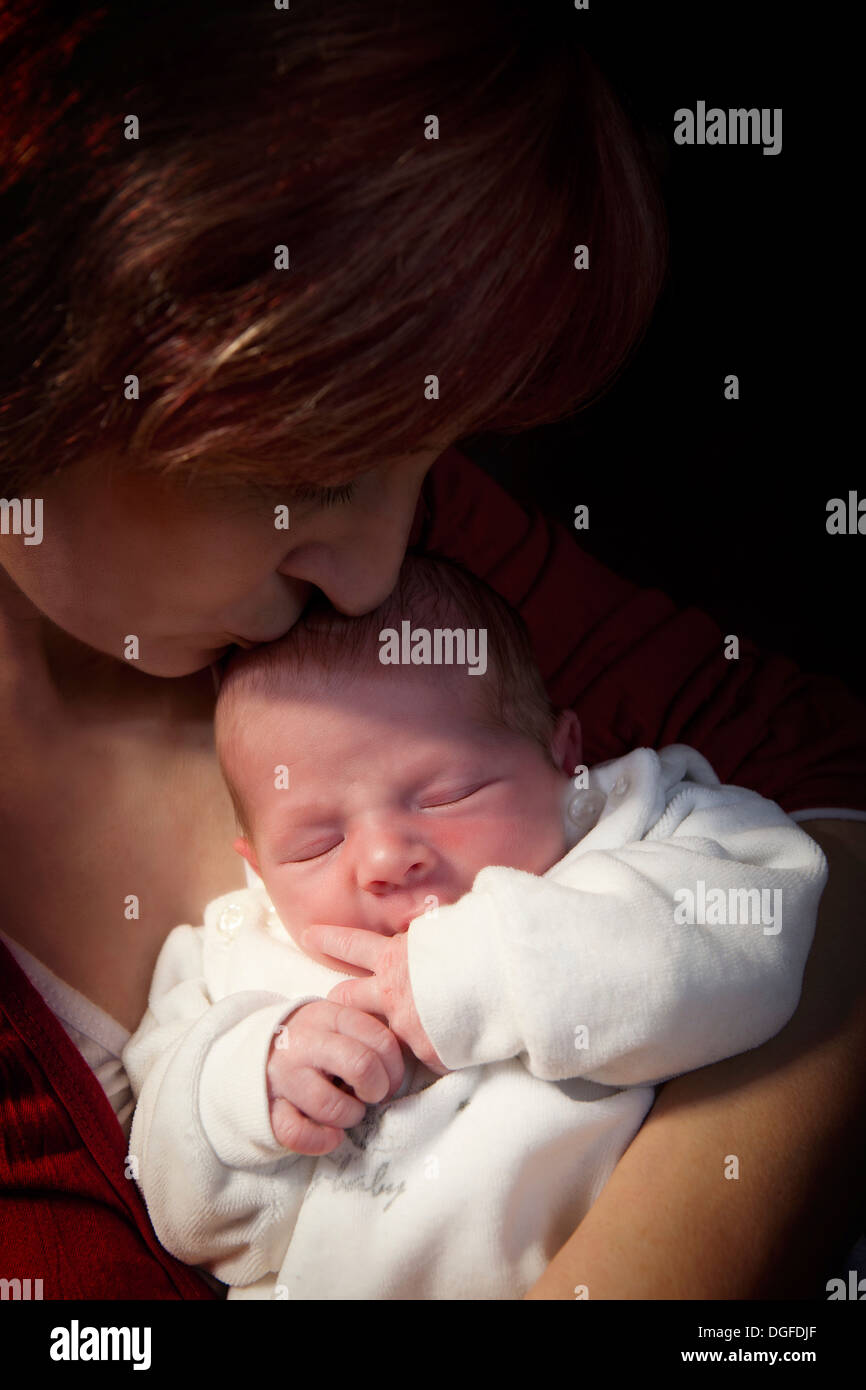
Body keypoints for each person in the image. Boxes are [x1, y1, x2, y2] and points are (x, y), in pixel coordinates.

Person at [1, 2, 865, 1301]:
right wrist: (259, 1083)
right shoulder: (231, 970)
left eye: (425, 457)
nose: (370, 569)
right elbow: (186, 1177)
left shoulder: (430, 599)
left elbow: (826, 812)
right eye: (314, 470)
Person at [121, 556, 829, 1299]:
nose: (386, 859)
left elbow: (768, 929)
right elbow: (176, 1205)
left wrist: (486, 965)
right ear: (259, 869)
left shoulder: (636, 831)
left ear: (563, 758)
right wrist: (250, 1087)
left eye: (446, 795)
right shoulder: (238, 959)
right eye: (315, 845)